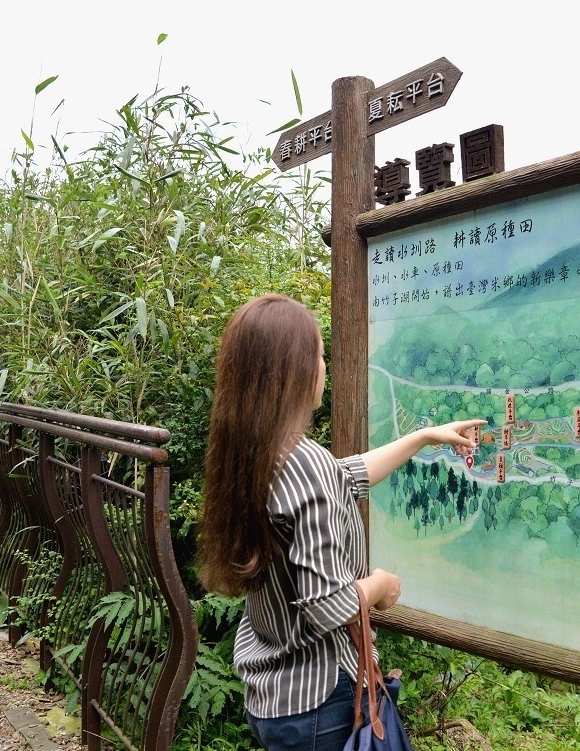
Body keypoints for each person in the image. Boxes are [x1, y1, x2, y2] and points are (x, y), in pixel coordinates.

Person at [198, 293, 484, 751]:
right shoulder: (303, 463)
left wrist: (423, 438)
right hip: (318, 707)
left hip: (272, 695)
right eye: (319, 355)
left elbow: (343, 475)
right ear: (293, 372)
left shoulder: (253, 452)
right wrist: (380, 587)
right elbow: (327, 606)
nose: (324, 366)